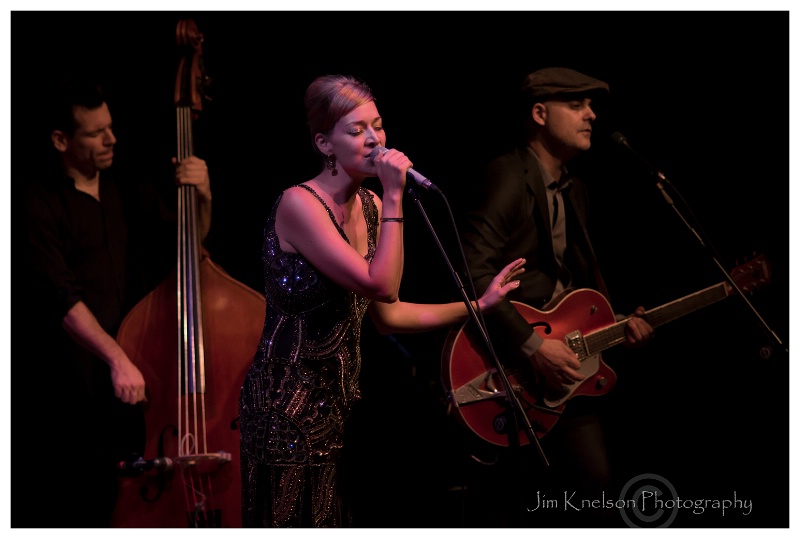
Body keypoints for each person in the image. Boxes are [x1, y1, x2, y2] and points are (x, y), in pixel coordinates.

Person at [237, 74, 525, 528]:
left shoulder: (371, 206)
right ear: (324, 144)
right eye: (356, 130)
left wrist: (479, 306)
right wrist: (395, 194)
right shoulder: (300, 204)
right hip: (284, 408)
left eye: (378, 125)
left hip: (337, 405)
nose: (375, 140)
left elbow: (388, 316)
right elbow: (382, 286)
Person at [457, 67, 654, 526]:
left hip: (566, 368)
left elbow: (572, 294)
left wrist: (621, 323)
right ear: (540, 113)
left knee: (596, 492)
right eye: (577, 104)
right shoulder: (508, 175)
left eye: (591, 105)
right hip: (510, 365)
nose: (592, 114)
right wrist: (532, 345)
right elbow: (472, 271)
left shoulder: (575, 191)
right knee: (524, 505)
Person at [15, 78, 212, 527]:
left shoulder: (127, 186)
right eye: (95, 132)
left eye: (111, 127)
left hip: (138, 376)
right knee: (88, 502)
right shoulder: (37, 203)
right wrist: (117, 359)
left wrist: (203, 195)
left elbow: (190, 248)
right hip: (75, 382)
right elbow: (62, 300)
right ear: (61, 140)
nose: (112, 139)